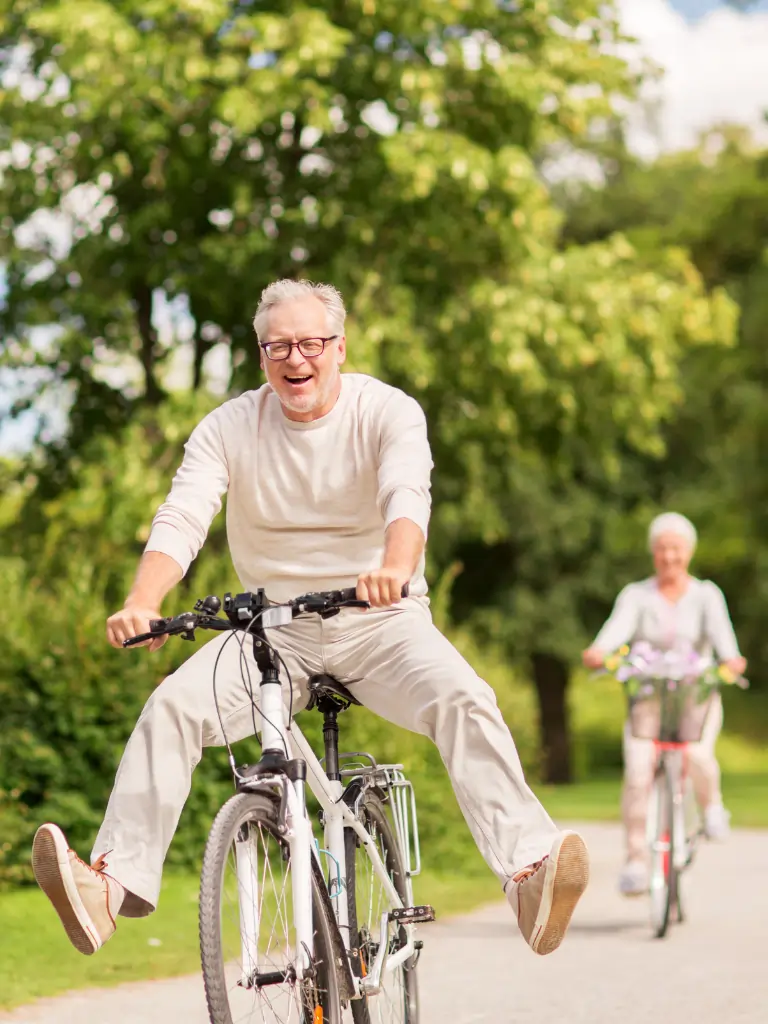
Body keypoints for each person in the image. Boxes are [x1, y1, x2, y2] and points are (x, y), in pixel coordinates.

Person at [32, 279, 589, 958]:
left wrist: (394, 565)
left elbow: (407, 495)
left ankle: (529, 874)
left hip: (381, 620)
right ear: (261, 355)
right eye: (278, 347)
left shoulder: (387, 411)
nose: (296, 359)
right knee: (171, 708)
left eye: (310, 343)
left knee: (465, 697)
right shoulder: (229, 426)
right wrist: (142, 602)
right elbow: (183, 517)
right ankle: (108, 889)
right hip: (271, 631)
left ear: (339, 347)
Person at [582, 512, 746, 896]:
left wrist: (731, 661)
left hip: (695, 697)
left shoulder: (707, 595)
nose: (669, 557)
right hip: (649, 700)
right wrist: (598, 652)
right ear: (653, 553)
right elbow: (613, 633)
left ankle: (711, 808)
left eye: (676, 549)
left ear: (688, 552)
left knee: (699, 756)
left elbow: (727, 645)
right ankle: (636, 861)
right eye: (661, 549)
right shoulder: (637, 595)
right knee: (638, 772)